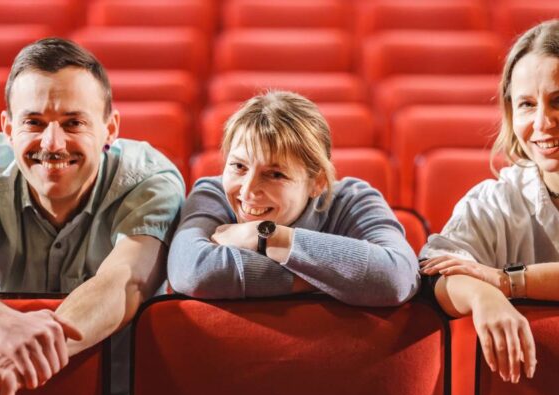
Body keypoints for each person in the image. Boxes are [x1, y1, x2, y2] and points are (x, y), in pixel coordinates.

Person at [0, 38, 184, 395]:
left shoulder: (150, 179)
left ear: (110, 128)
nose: (52, 144)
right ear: (6, 127)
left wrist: (23, 355)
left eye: (74, 122)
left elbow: (122, 281)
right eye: (34, 122)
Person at [419, 19, 559, 384]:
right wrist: (483, 297)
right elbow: (432, 275)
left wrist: (506, 282)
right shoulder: (495, 200)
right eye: (527, 105)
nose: (542, 123)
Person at [168, 91, 419, 306]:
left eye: (275, 174)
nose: (247, 190)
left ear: (318, 182)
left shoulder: (354, 201)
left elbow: (397, 278)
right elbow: (193, 272)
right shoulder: (213, 193)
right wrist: (330, 279)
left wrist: (266, 237)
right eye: (238, 166)